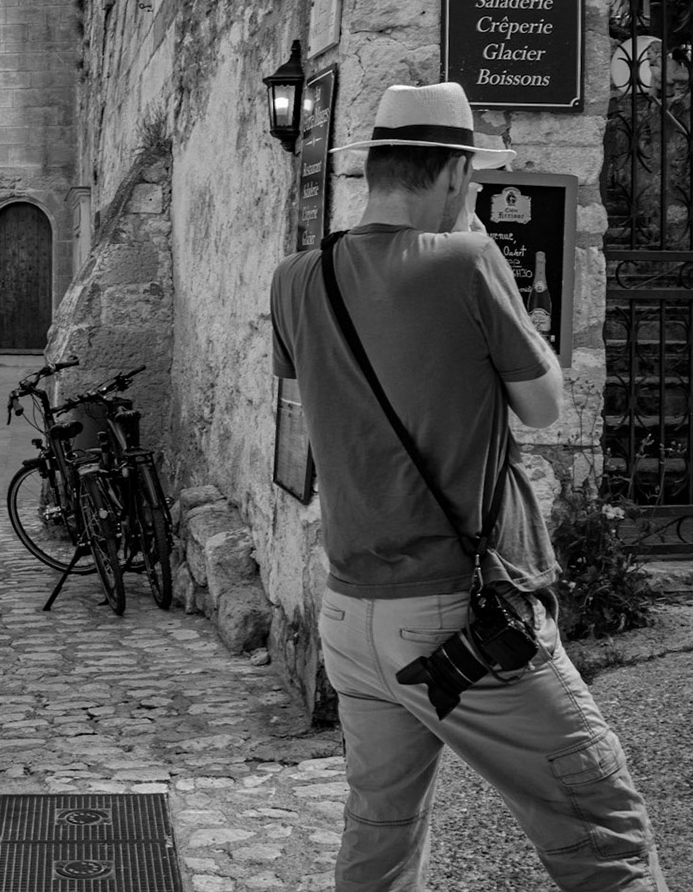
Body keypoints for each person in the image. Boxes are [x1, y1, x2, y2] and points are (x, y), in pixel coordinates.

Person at [269, 83, 666, 892]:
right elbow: (544, 403)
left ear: (377, 168)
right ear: (450, 175)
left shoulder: (296, 278)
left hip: (350, 614)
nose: (474, 195)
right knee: (603, 825)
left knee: (380, 835)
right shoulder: (467, 259)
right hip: (456, 616)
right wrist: (498, 273)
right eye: (471, 181)